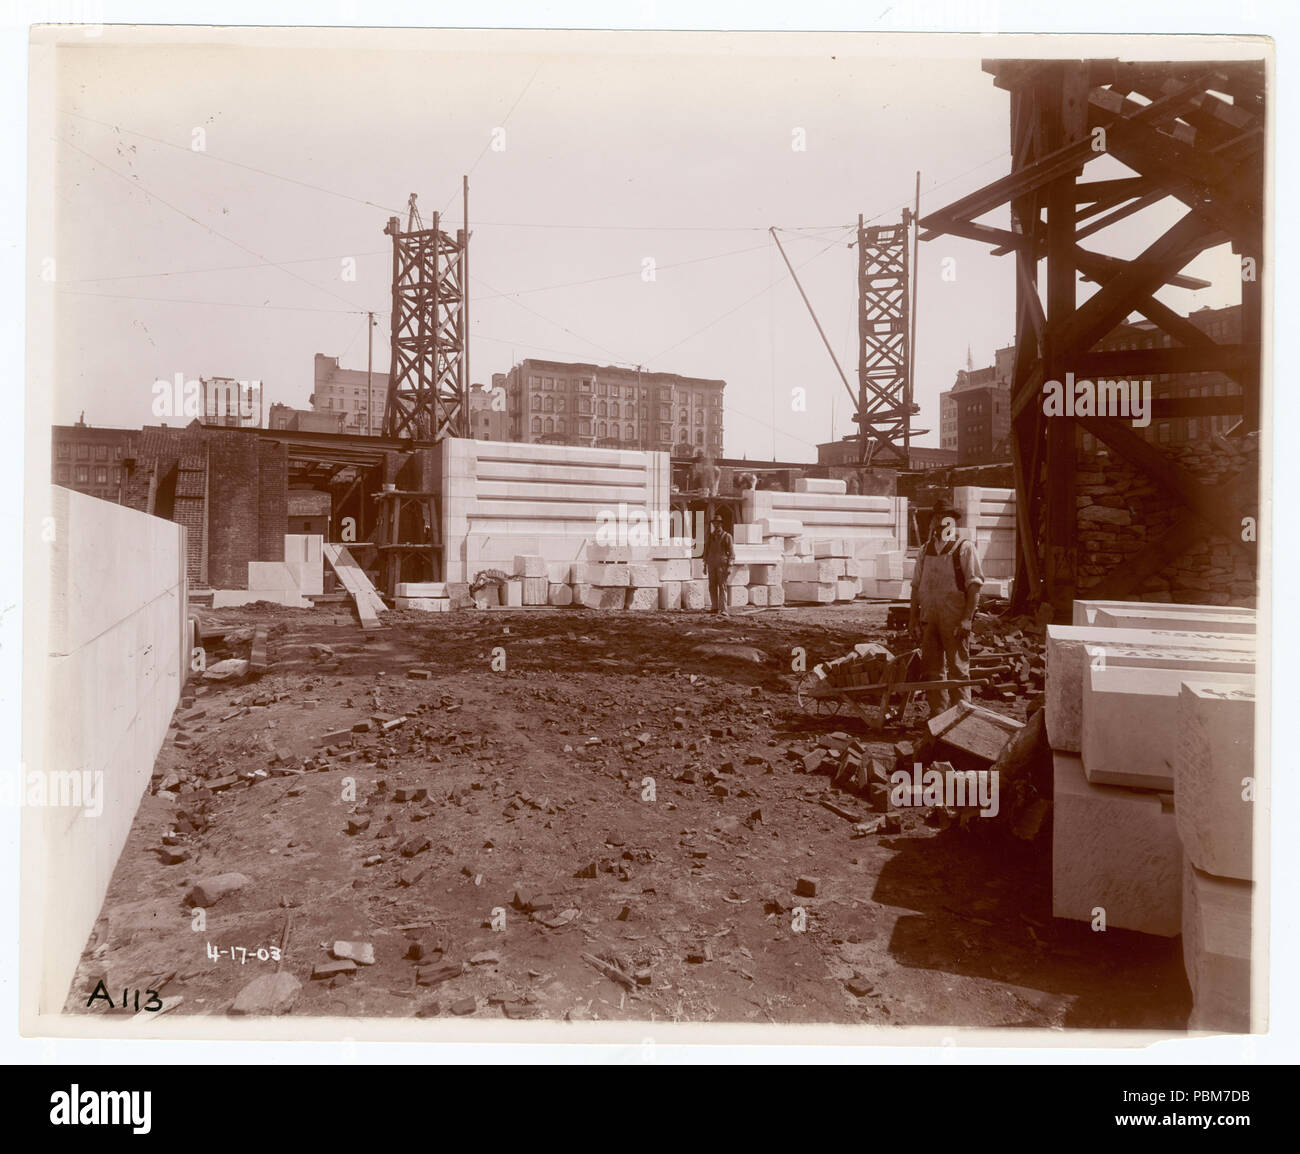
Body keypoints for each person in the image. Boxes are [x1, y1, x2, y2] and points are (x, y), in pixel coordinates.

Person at [908, 496, 985, 715]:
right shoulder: (924, 551)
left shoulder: (964, 548)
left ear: (954, 523)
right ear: (932, 522)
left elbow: (974, 587)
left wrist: (967, 619)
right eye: (938, 518)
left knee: (958, 670)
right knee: (932, 671)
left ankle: (962, 719)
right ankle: (938, 718)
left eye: (947, 519)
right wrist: (913, 618)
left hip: (954, 620)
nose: (941, 523)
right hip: (929, 618)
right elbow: (915, 588)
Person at [703, 512, 734, 615]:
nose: (716, 525)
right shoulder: (710, 536)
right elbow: (706, 550)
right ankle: (715, 607)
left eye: (718, 523)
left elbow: (732, 553)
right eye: (714, 523)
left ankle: (724, 609)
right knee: (712, 586)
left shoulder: (727, 536)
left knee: (722, 586)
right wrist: (704, 565)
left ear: (721, 524)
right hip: (711, 564)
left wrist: (730, 566)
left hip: (722, 565)